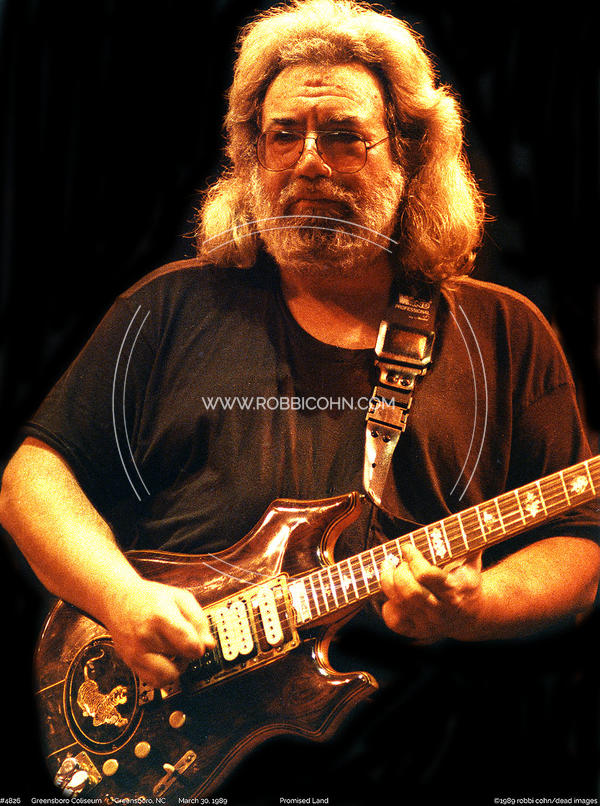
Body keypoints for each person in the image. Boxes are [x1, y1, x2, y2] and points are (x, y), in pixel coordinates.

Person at [0, 0, 598, 797]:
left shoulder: (504, 331)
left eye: (345, 135)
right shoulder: (169, 308)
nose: (309, 161)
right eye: (283, 134)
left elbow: (580, 544)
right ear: (251, 154)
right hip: (183, 738)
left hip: (432, 756)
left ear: (410, 153)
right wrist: (119, 596)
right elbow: (32, 478)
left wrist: (476, 605)